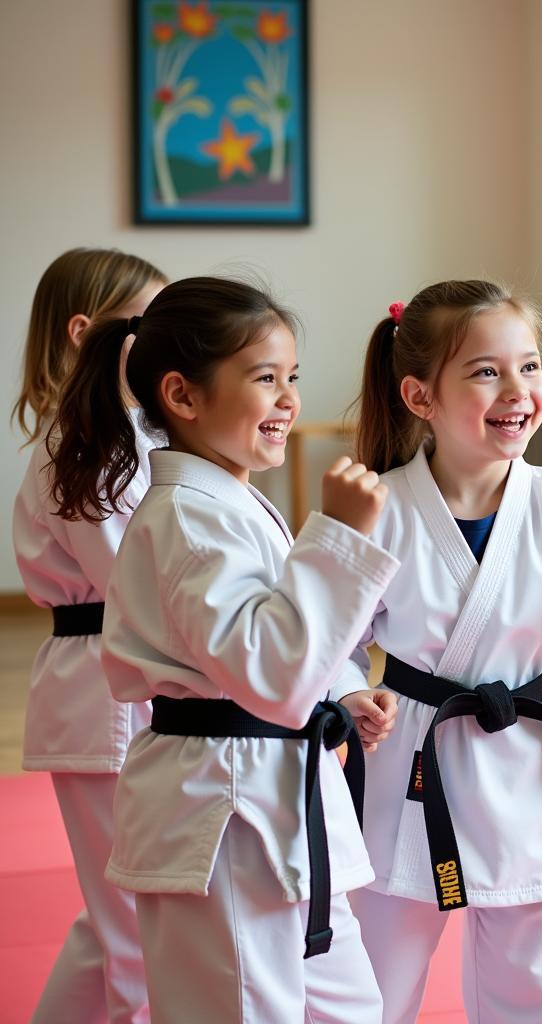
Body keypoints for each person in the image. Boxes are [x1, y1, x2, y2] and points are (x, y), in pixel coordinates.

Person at [47, 276, 400, 1023]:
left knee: (348, 1006)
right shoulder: (185, 517)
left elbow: (278, 632)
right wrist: (337, 537)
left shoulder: (228, 500)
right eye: (265, 378)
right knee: (240, 1008)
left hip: (276, 792)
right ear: (183, 395)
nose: (289, 399)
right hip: (226, 813)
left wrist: (340, 692)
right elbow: (266, 669)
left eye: (292, 377)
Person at [336, 279, 542, 1023]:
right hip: (407, 761)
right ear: (418, 396)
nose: (518, 390)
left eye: (530, 366)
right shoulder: (378, 507)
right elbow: (326, 635)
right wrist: (345, 690)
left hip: (531, 764)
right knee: (372, 987)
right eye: (485, 371)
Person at [12, 246, 166, 1024]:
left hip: (122, 676)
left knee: (117, 911)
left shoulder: (134, 435)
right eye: (152, 323)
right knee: (137, 927)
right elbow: (132, 579)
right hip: (105, 686)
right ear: (87, 331)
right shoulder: (82, 446)